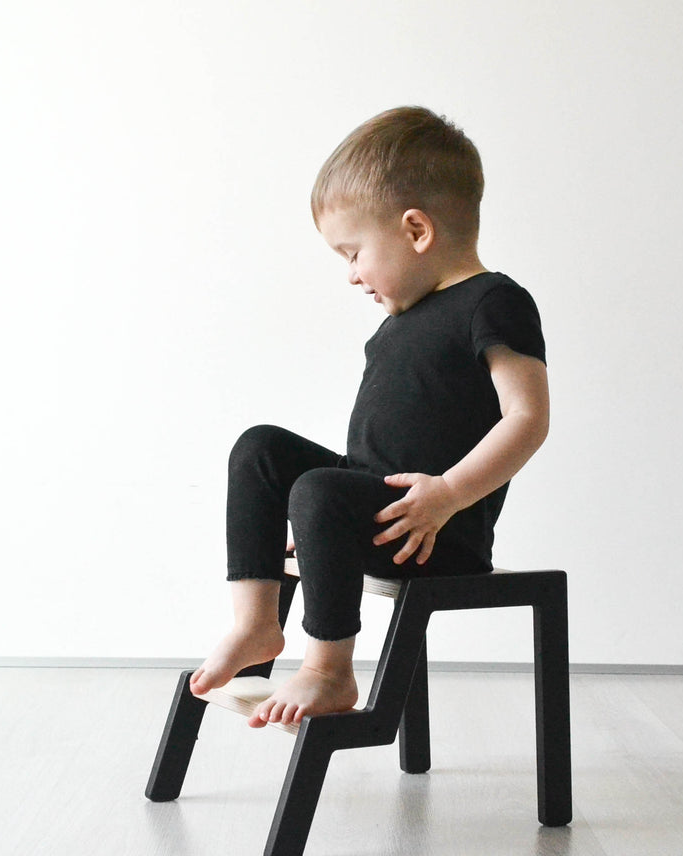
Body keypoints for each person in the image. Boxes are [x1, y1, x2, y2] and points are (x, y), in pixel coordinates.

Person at [189, 106, 550, 728]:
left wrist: (449, 495)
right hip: (373, 509)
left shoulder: (495, 302)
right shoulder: (402, 320)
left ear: (416, 230)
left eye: (353, 252)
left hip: (435, 531)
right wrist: (329, 518)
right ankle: (255, 623)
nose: (352, 275)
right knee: (261, 448)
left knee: (320, 489)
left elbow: (528, 418)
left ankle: (329, 670)